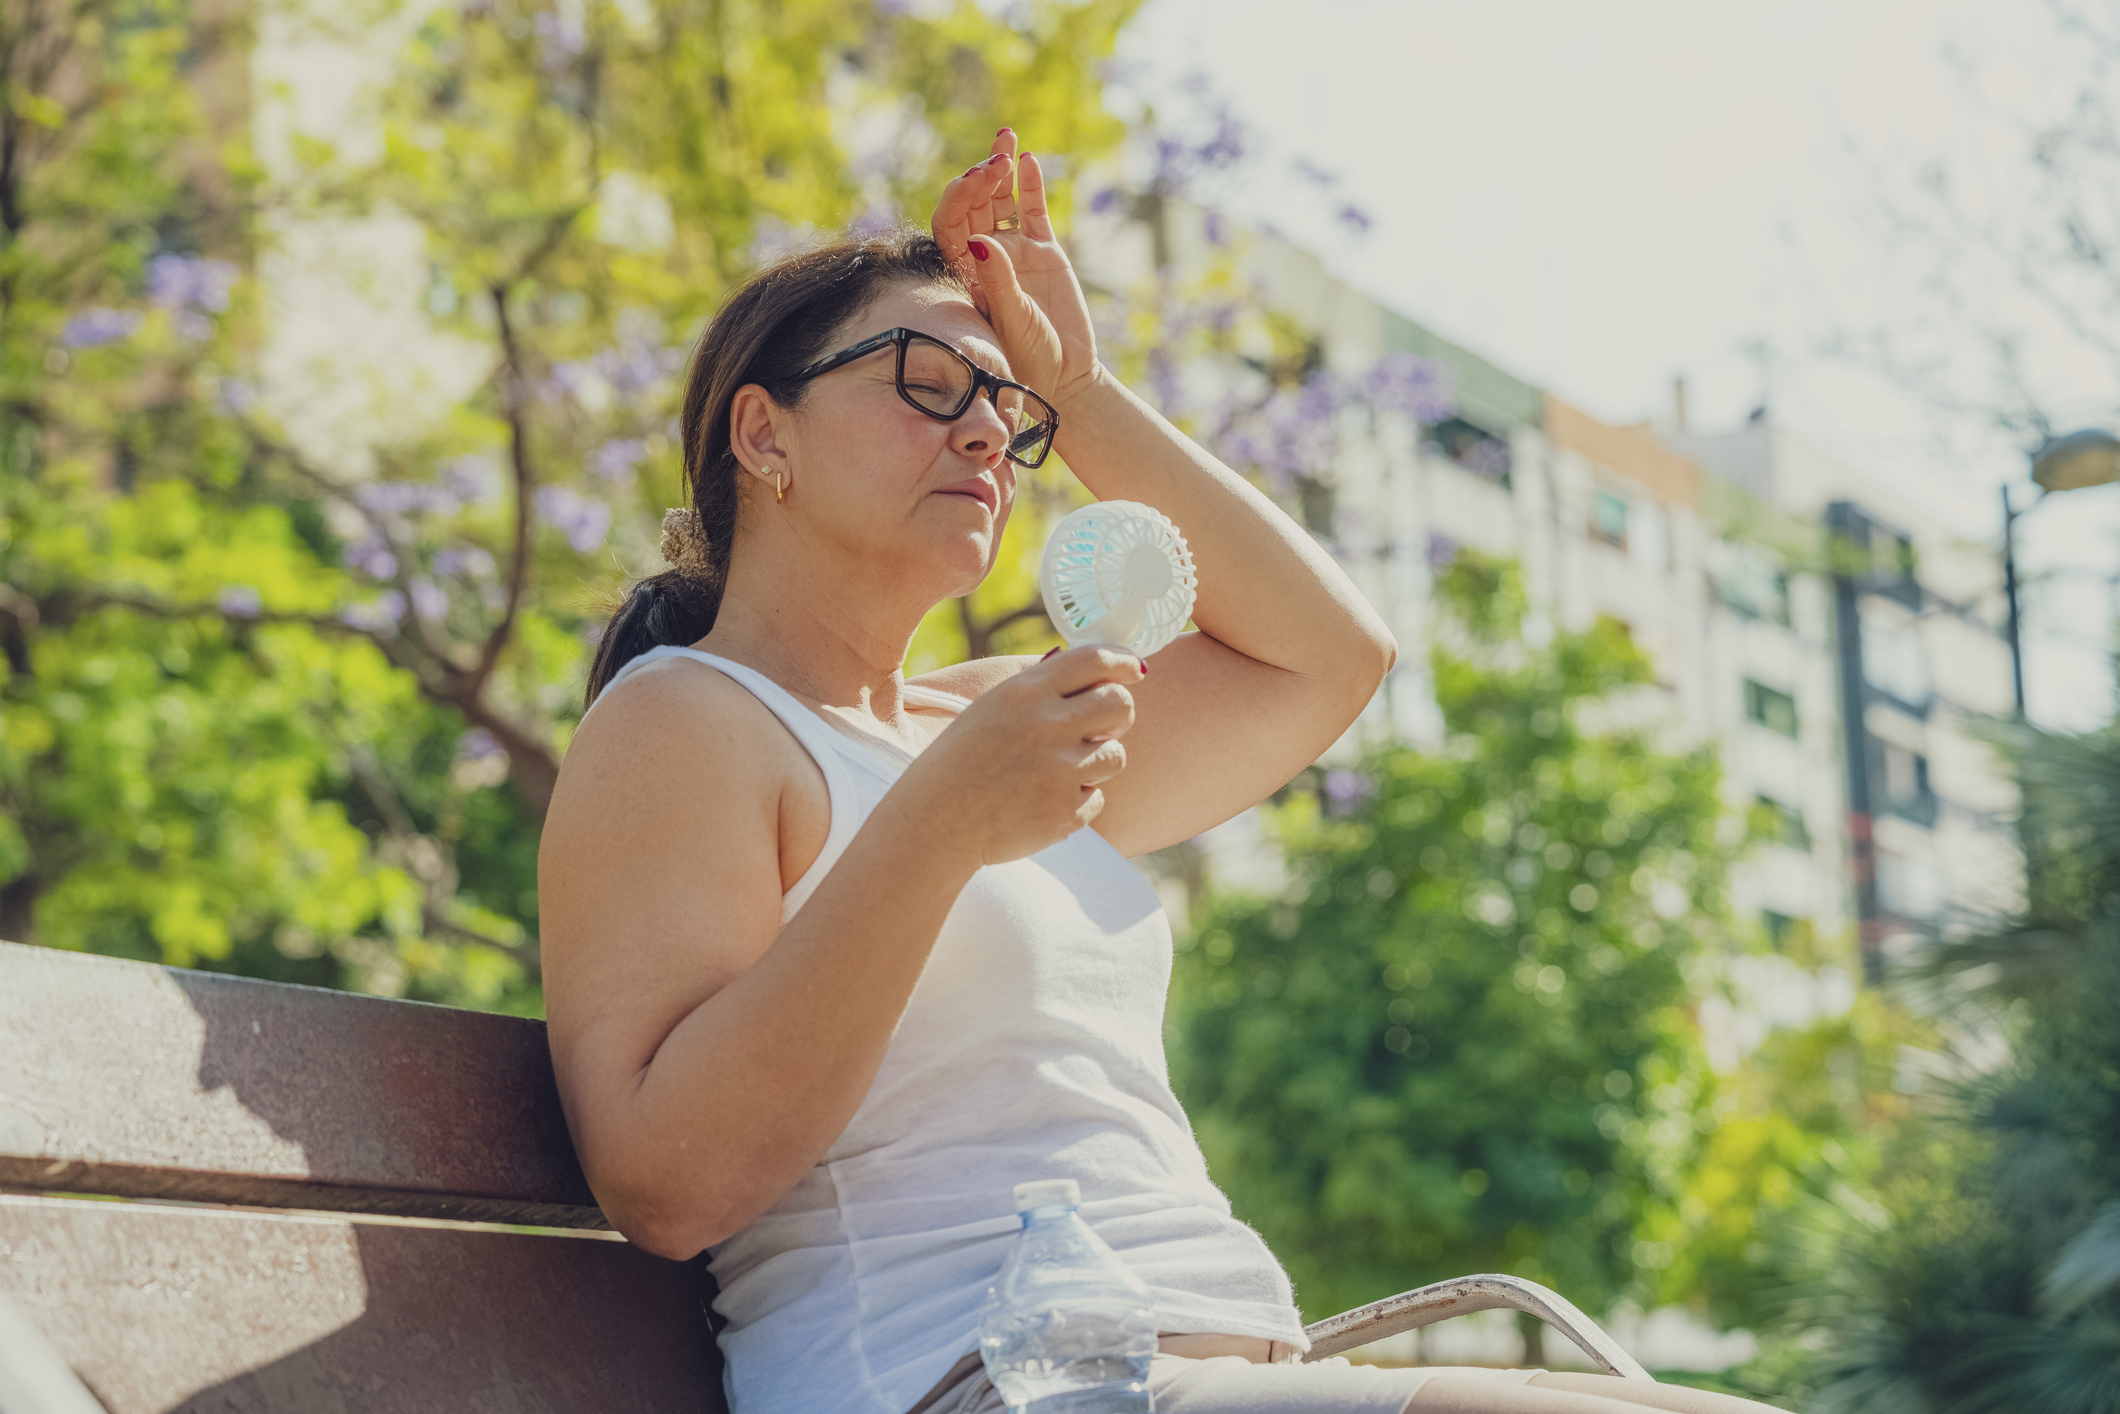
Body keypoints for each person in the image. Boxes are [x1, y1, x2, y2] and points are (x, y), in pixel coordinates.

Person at [537, 130, 1789, 1414]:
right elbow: (665, 1181)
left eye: (1002, 401)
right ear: (762, 431)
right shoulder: (687, 720)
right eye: (928, 380)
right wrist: (941, 825)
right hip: (967, 1380)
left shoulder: (987, 723)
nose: (984, 428)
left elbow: (1325, 660)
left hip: (1206, 1370)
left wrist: (1076, 384)